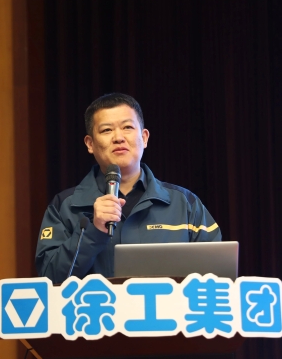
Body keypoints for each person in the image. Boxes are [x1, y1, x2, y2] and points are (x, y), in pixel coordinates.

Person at [35, 93, 221, 283]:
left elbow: (218, 276)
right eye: (107, 130)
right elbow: (49, 279)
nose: (118, 137)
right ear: (90, 144)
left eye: (127, 127)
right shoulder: (65, 206)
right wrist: (93, 231)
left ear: (144, 138)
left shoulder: (185, 204)